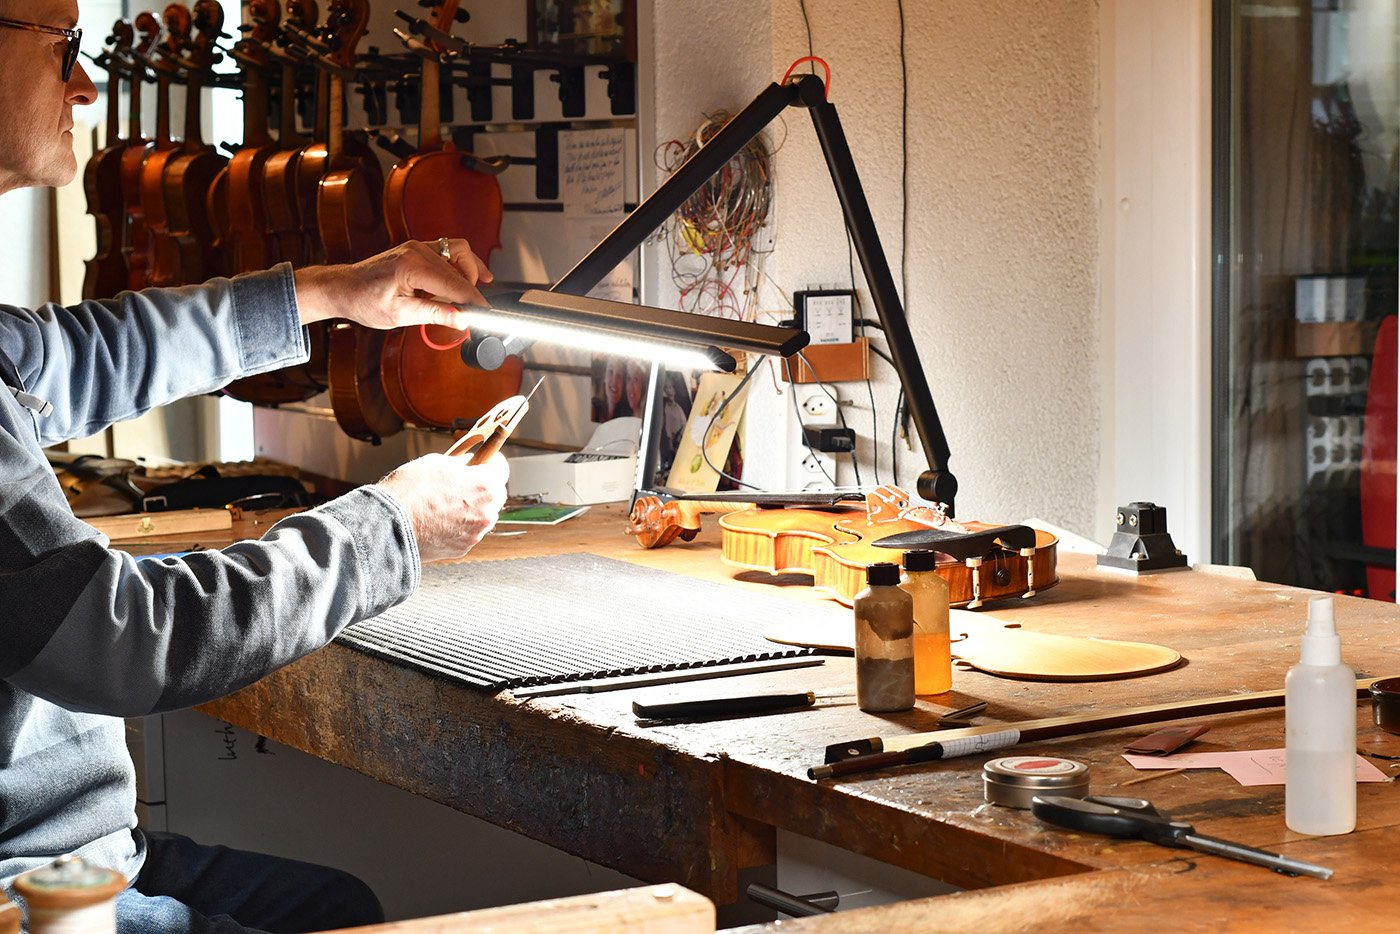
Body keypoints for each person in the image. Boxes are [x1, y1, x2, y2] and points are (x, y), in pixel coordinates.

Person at [0, 3, 509, 931]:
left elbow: (91, 350)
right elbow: (116, 642)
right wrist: (389, 526)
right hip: (25, 886)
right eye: (63, 47)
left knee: (336, 904)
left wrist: (337, 289)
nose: (85, 84)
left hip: (71, 846)